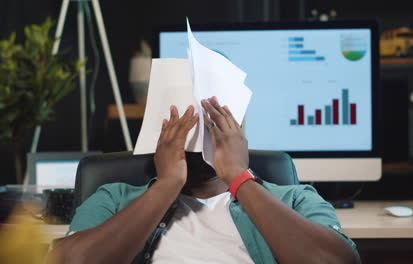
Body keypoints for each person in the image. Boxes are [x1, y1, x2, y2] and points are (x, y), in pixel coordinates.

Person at [48, 97, 360, 264]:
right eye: (187, 122)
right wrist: (167, 183)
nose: (202, 136)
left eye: (214, 122)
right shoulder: (115, 197)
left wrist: (239, 178)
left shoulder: (295, 198)